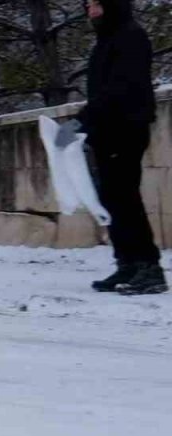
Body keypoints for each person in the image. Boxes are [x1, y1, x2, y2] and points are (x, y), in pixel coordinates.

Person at [56, 0, 165, 295]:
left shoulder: (130, 36)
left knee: (124, 198)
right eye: (88, 5)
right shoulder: (108, 40)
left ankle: (149, 267)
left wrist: (81, 122)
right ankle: (127, 263)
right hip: (107, 131)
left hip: (126, 129)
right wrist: (88, 125)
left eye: (97, 4)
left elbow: (120, 89)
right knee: (112, 199)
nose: (91, 11)